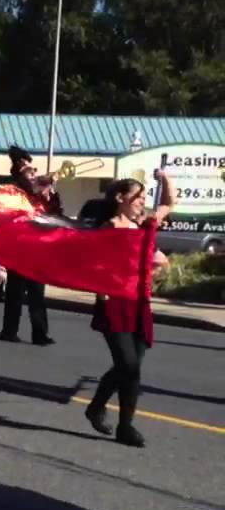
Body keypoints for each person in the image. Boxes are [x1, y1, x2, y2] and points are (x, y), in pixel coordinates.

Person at [82, 172, 174, 448]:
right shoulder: (108, 228)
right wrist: (101, 289)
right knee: (129, 366)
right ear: (121, 199)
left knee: (129, 367)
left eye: (145, 197)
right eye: (138, 197)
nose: (142, 202)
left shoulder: (144, 225)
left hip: (139, 304)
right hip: (114, 302)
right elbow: (95, 264)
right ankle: (125, 426)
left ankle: (99, 409)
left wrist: (165, 178)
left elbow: (169, 203)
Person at [0, 145, 58, 345]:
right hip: (18, 248)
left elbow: (56, 215)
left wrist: (51, 196)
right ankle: (9, 331)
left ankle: (40, 333)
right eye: (28, 171)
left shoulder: (42, 192)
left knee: (37, 294)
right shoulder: (14, 193)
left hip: (38, 248)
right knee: (15, 292)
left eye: (34, 170)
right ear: (18, 175)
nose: (33, 174)